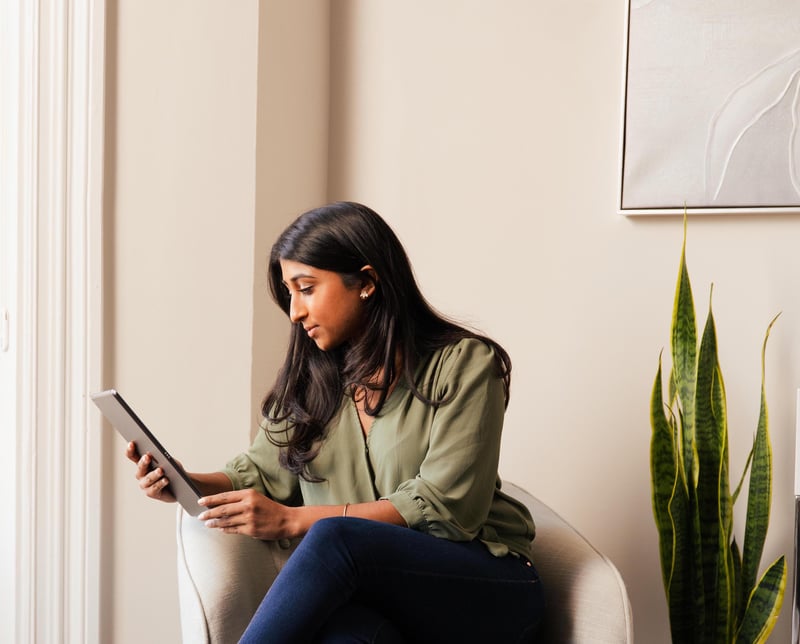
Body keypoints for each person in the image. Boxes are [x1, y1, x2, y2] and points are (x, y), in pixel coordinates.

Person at [128, 201, 545, 643]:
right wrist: (180, 480)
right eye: (289, 293)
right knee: (344, 635)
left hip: (485, 590)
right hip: (381, 598)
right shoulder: (312, 383)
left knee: (335, 538)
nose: (295, 312)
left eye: (306, 288)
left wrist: (295, 522)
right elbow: (259, 474)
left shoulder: (464, 365)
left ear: (366, 282)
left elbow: (448, 508)